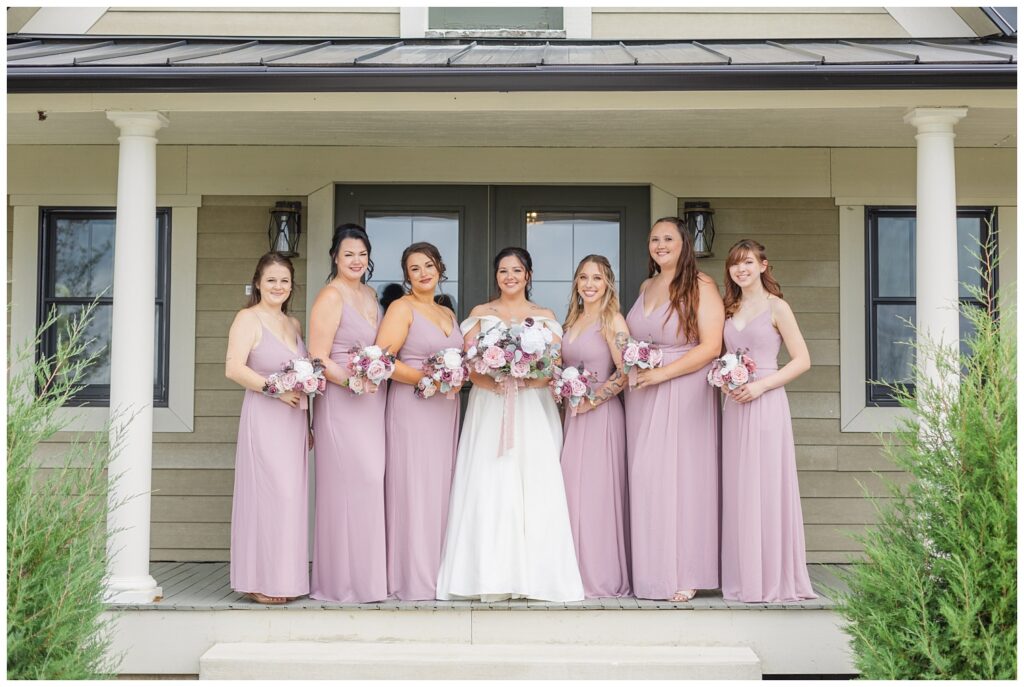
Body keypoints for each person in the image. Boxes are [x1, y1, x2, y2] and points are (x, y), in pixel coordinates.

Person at [436, 247, 584, 602]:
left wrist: (528, 377)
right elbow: (470, 363)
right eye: (503, 271)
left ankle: (537, 576)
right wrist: (495, 381)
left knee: (535, 482)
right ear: (496, 276)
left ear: (528, 275)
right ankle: (490, 575)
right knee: (491, 481)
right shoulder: (480, 314)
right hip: (491, 406)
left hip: (532, 407)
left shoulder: (544, 316)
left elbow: (553, 363)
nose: (510, 277)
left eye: (517, 270)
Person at [625, 217, 724, 602]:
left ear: (684, 243)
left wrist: (662, 374)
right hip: (643, 392)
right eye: (654, 239)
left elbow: (711, 345)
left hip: (683, 388)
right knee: (647, 480)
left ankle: (686, 570)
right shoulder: (646, 285)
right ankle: (651, 570)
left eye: (668, 238)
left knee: (681, 479)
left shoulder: (701, 285)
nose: (660, 244)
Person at [720, 239, 817, 603]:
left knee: (765, 484)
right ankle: (745, 575)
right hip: (734, 404)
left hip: (765, 400)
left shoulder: (778, 307)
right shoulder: (729, 308)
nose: (740, 269)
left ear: (763, 265)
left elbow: (802, 359)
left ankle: (772, 577)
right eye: (734, 264)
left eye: (747, 262)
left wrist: (760, 386)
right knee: (740, 486)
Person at [376, 242, 463, 600]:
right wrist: (428, 379)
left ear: (440, 268)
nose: (424, 273)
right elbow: (381, 360)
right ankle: (411, 578)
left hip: (444, 411)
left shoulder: (447, 314)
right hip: (413, 408)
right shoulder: (401, 308)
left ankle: (440, 574)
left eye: (429, 265)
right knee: (413, 489)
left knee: (440, 490)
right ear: (407, 276)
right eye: (415, 269)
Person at [307, 224, 387, 603]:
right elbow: (318, 357)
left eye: (361, 254)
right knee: (347, 486)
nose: (356, 260)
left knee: (371, 484)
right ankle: (339, 582)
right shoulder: (330, 296)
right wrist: (352, 382)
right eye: (348, 254)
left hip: (372, 401)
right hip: (341, 402)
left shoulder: (371, 295)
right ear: (335, 258)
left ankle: (367, 580)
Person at [225, 252, 309, 605]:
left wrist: (310, 422)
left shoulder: (293, 325)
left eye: (284, 281)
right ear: (258, 282)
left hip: (294, 422)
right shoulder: (248, 318)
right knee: (269, 497)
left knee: (291, 500)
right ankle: (258, 579)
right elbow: (234, 368)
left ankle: (284, 579)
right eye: (271, 279)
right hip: (265, 416)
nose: (278, 286)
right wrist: (275, 389)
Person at [559, 255, 632, 598]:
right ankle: (571, 572)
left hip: (600, 417)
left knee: (596, 498)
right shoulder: (572, 320)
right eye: (584, 277)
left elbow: (625, 372)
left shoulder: (612, 320)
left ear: (608, 284)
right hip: (572, 418)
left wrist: (595, 399)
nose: (589, 284)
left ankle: (599, 577)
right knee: (571, 495)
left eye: (597, 279)